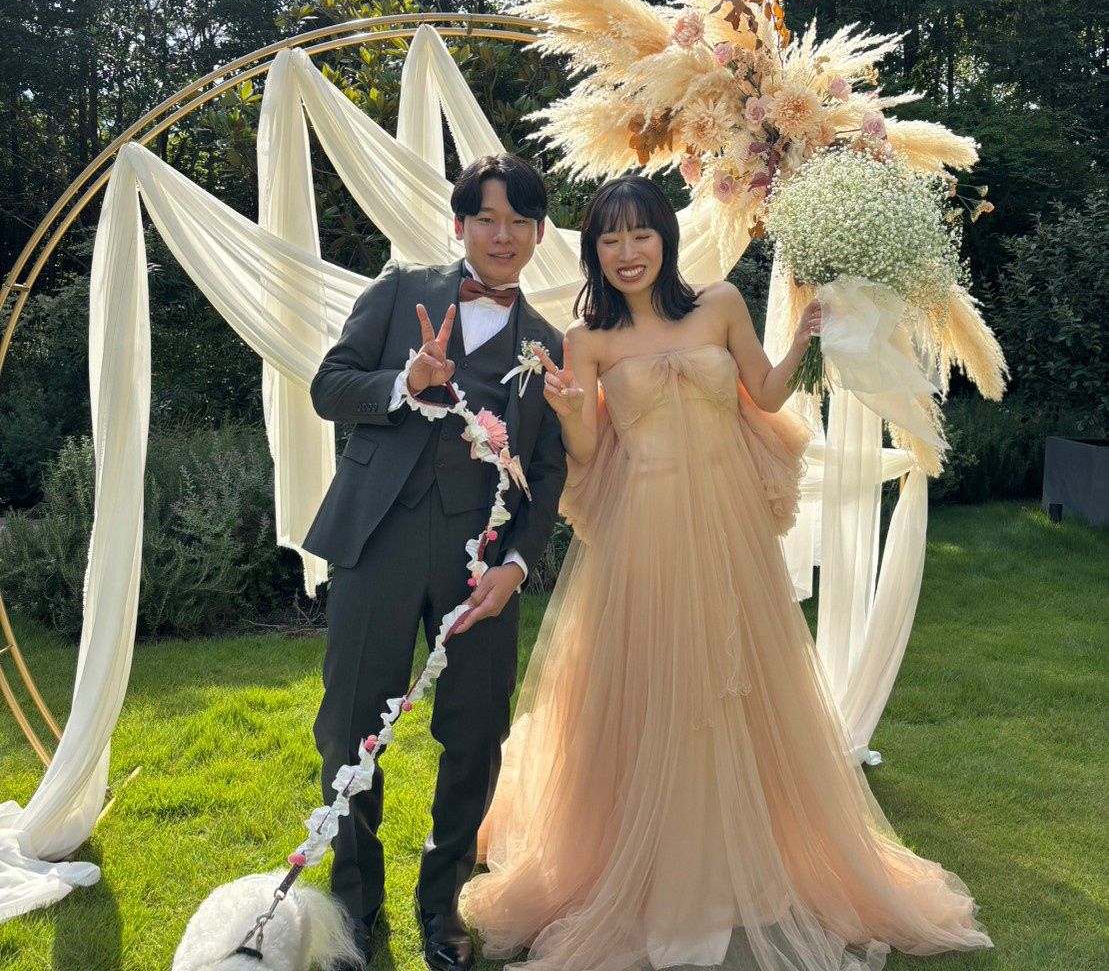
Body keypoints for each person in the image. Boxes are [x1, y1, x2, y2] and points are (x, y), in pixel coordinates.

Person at [460, 175, 992, 971]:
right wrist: (570, 411)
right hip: (645, 530)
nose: (627, 251)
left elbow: (766, 393)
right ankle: (652, 858)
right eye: (610, 238)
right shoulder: (587, 338)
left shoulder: (719, 305)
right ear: (593, 251)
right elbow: (587, 453)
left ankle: (743, 848)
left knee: (738, 681)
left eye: (641, 233)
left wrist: (805, 334)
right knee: (652, 684)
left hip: (725, 526)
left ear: (665, 239)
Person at [304, 153, 567, 971]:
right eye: (485, 217)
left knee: (477, 734)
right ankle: (354, 907)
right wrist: (404, 380)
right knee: (350, 728)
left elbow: (548, 470)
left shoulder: (548, 345)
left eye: (518, 221)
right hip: (375, 541)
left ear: (538, 233)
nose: (501, 234)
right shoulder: (399, 293)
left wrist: (516, 566)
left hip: (480, 567)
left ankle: (441, 902)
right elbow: (328, 387)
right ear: (459, 225)